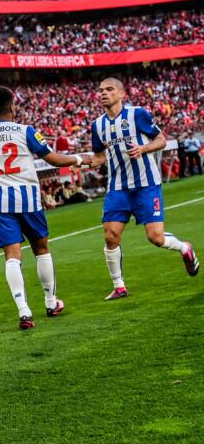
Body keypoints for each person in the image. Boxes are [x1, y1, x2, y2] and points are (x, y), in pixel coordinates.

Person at [0, 87, 92, 330]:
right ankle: (51, 303)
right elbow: (53, 159)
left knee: (11, 256)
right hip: (27, 198)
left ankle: (24, 311)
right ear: (12, 107)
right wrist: (80, 159)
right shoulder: (25, 131)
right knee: (41, 249)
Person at [89, 78, 198, 299]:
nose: (103, 93)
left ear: (121, 94)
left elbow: (161, 140)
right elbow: (100, 156)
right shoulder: (97, 125)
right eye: (100, 90)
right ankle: (119, 286)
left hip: (146, 185)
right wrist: (81, 162)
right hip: (118, 187)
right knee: (111, 236)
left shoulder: (137, 114)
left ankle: (184, 248)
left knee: (155, 237)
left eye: (109, 90)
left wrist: (144, 148)